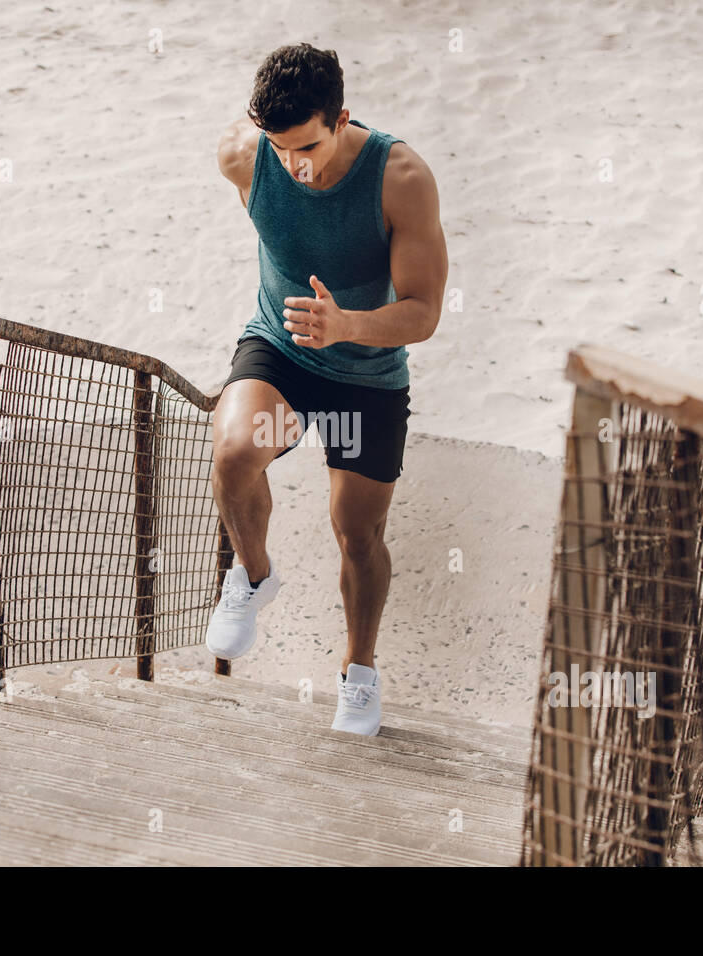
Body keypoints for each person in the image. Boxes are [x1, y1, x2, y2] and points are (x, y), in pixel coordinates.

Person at [205, 42, 448, 736]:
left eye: (309, 146)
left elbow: (424, 311)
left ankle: (359, 673)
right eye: (280, 149)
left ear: (342, 118)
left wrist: (346, 323)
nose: (296, 166)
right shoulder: (242, 156)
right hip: (282, 351)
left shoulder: (400, 177)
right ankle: (253, 577)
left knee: (359, 536)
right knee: (232, 456)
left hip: (367, 371)